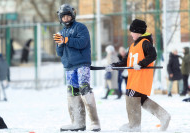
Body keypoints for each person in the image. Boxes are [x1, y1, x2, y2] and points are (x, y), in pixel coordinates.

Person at [106, 19, 171, 132]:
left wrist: (141, 64)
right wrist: (114, 65)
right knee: (141, 100)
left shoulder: (145, 42)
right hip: (134, 78)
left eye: (132, 31)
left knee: (130, 97)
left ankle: (134, 125)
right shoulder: (132, 46)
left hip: (141, 78)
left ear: (139, 31)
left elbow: (153, 55)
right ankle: (163, 116)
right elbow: (125, 61)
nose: (131, 34)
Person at [53, 4, 100, 132]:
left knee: (84, 88)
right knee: (72, 91)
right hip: (69, 66)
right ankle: (77, 122)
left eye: (68, 16)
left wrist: (66, 40)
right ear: (60, 18)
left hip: (81, 63)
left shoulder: (80, 27)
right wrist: (59, 44)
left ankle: (95, 122)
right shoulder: (61, 32)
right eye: (63, 17)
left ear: (72, 16)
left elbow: (82, 43)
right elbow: (59, 53)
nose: (66, 19)